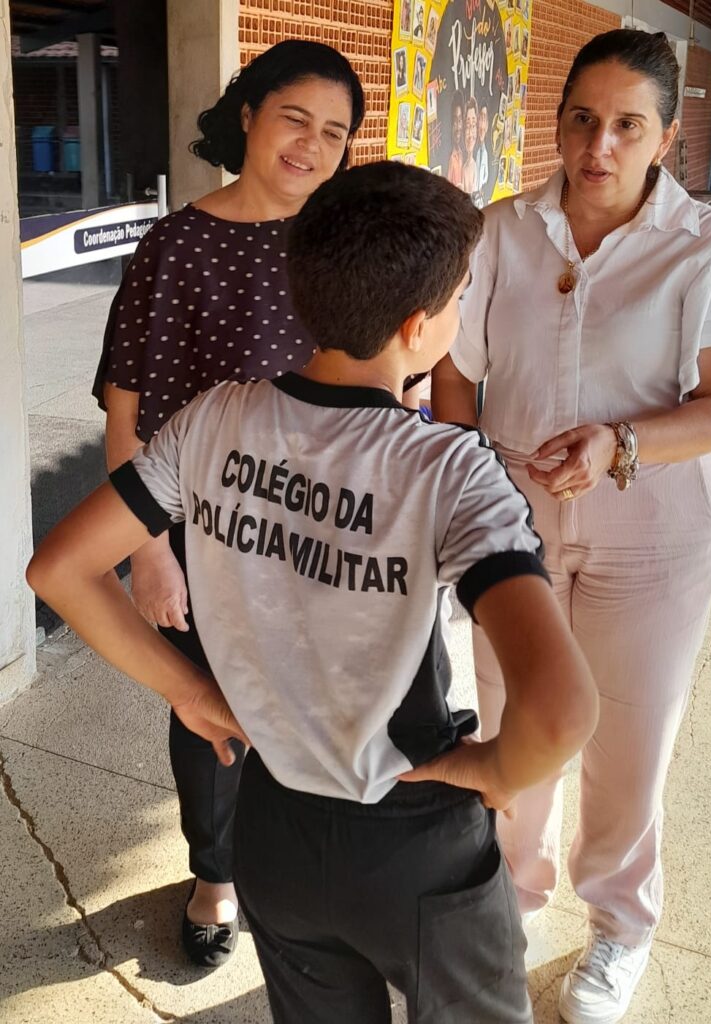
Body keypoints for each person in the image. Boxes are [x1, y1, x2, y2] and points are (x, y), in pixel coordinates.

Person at [28, 161, 600, 1024]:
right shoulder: (445, 470)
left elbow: (59, 571)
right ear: (419, 327)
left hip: (272, 830)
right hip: (413, 833)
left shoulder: (214, 418)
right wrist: (488, 767)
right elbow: (559, 712)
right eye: (456, 302)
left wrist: (189, 691)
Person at [431, 29, 711, 1024]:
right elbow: (455, 373)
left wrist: (617, 445)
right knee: (520, 725)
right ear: (556, 122)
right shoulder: (497, 232)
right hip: (515, 525)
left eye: (625, 124)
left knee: (626, 744)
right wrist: (463, 478)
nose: (597, 144)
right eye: (580, 119)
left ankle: (620, 924)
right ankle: (510, 895)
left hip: (653, 535)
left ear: (666, 135)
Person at [91, 40, 365, 968]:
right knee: (211, 711)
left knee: (318, 703)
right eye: (295, 118)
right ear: (247, 115)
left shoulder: (342, 240)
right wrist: (147, 550)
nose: (311, 146)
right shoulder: (180, 243)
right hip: (207, 532)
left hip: (323, 528)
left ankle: (296, 860)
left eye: (334, 132)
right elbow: (128, 401)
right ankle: (216, 873)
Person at [447, 92, 465, 186]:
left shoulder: (463, 154)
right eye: (455, 121)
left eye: (459, 120)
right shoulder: (449, 158)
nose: (458, 127)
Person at [462, 96, 479, 194]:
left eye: (473, 126)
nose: (470, 133)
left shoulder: (474, 166)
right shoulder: (463, 166)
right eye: (468, 126)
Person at [477, 104, 490, 194]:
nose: (482, 123)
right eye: (480, 118)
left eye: (484, 119)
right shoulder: (470, 149)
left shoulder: (486, 152)